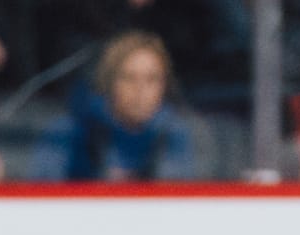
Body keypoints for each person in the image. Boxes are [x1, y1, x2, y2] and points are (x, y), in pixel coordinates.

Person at [33, 31, 194, 182]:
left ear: (164, 86)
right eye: (129, 78)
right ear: (109, 84)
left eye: (152, 79)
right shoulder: (69, 133)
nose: (140, 89)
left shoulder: (175, 135)